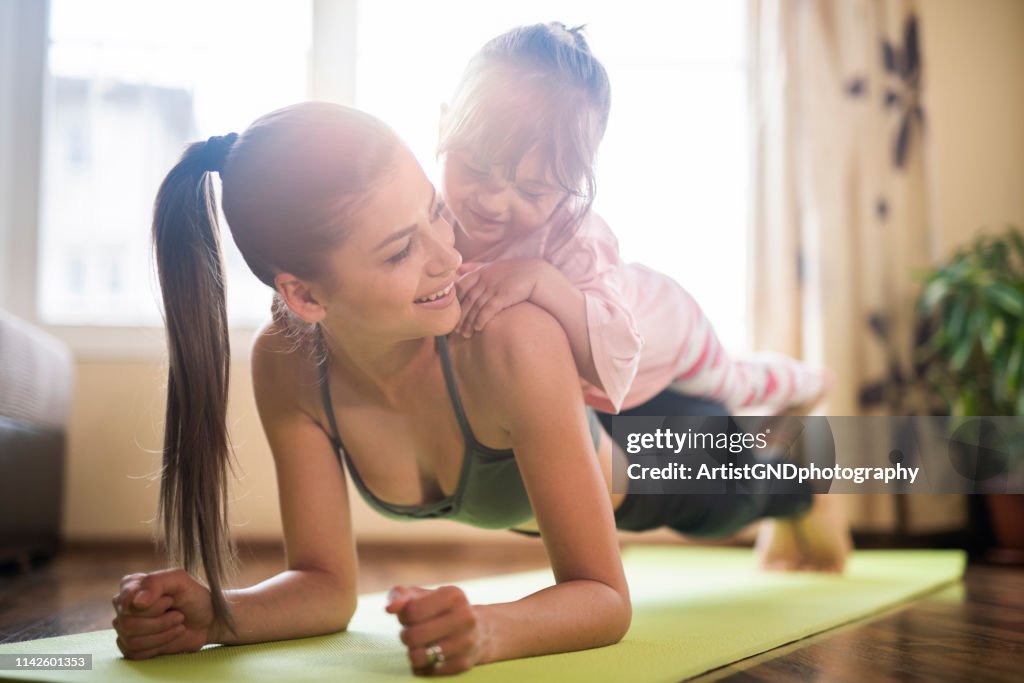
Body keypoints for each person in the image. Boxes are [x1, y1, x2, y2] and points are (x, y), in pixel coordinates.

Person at [110, 102, 849, 676]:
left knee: (770, 479)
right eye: (402, 249)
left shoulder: (509, 339)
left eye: (436, 211)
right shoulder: (287, 366)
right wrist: (213, 614)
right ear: (303, 295)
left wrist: (490, 626)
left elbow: (604, 596)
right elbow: (325, 584)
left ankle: (811, 470)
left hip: (644, 451)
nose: (449, 255)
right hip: (560, 450)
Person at [439, 22, 831, 418]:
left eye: (531, 191)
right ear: (443, 127)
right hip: (632, 307)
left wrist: (540, 279)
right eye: (473, 167)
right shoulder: (429, 215)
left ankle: (809, 382)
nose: (492, 200)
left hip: (672, 333)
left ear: (571, 186)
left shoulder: (575, 239)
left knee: (737, 383)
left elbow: (621, 354)